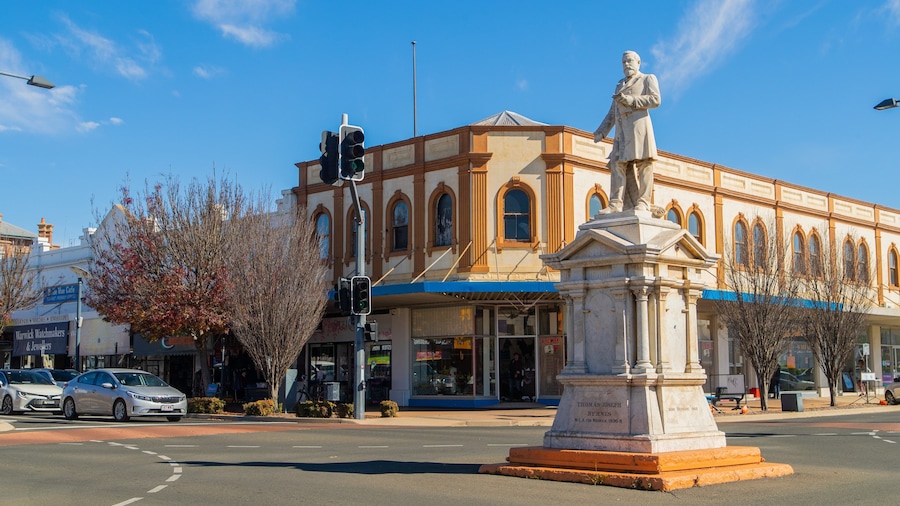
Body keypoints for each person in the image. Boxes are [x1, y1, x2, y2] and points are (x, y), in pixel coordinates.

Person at [593, 50, 661, 214]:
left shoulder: (647, 78)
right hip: (622, 132)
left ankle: (644, 202)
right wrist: (602, 131)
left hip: (639, 127)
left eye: (630, 61)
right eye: (624, 62)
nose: (626, 65)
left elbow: (656, 99)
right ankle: (615, 203)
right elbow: (612, 112)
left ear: (638, 63)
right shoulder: (619, 84)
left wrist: (632, 101)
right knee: (617, 164)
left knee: (645, 164)